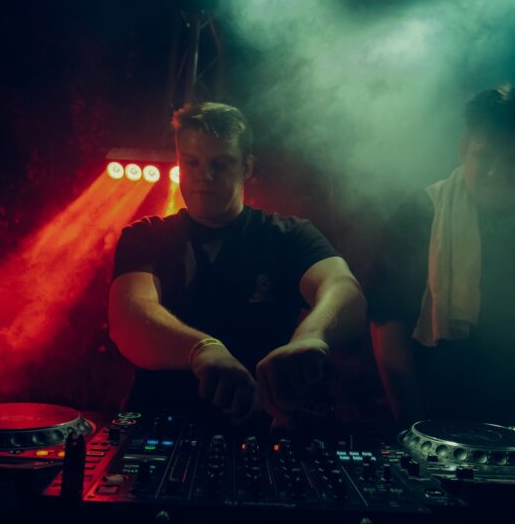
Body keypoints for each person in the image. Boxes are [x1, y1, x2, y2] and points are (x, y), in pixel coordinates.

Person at [108, 102, 367, 428]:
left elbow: (344, 289)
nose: (204, 175)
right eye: (191, 162)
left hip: (261, 429)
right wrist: (202, 350)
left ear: (247, 166)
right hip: (158, 427)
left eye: (220, 163)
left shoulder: (289, 235)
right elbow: (129, 315)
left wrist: (312, 336)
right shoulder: (145, 236)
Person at [369, 83, 515, 439]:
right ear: (464, 149)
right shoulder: (420, 215)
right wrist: (412, 429)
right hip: (444, 426)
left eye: (514, 160)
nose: (496, 173)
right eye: (484, 156)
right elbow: (387, 326)